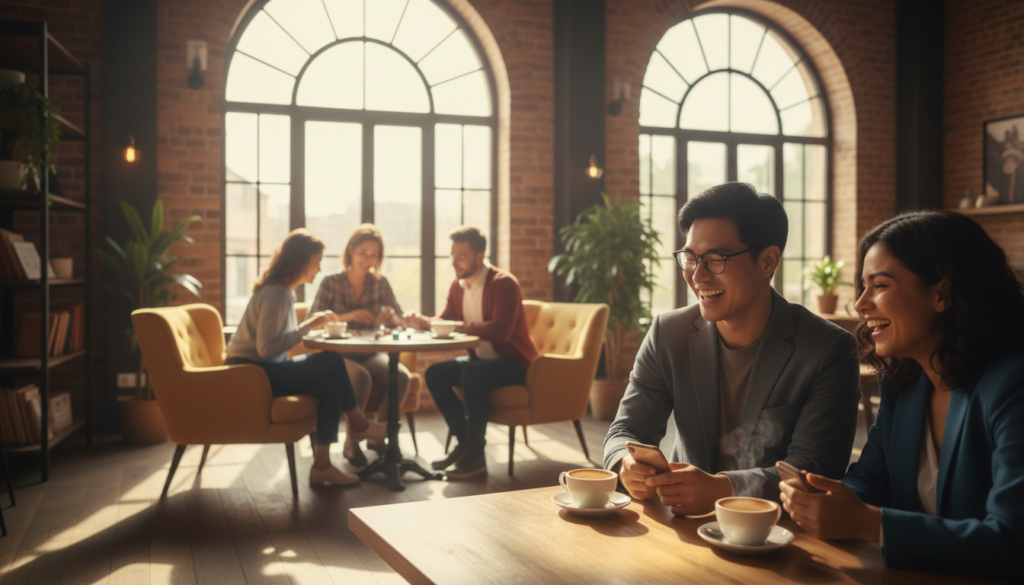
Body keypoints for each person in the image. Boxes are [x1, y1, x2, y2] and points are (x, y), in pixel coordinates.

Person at [779, 210, 1024, 580]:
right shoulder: (904, 384)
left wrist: (869, 524)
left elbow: (1012, 542)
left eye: (879, 285)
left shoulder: (1012, 385)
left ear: (942, 292)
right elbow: (872, 478)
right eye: (862, 286)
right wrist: (830, 498)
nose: (860, 304)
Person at [603, 182, 861, 515]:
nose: (698, 276)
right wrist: (625, 464)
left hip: (776, 529)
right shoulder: (668, 333)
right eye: (690, 258)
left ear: (768, 260)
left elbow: (816, 466)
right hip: (682, 522)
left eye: (715, 259)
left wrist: (726, 489)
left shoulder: (827, 349)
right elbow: (626, 430)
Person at [225, 228, 387, 486]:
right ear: (300, 262)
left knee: (331, 385)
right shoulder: (277, 293)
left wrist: (307, 327)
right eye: (316, 262)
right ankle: (359, 423)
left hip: (260, 371)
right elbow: (266, 349)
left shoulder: (282, 292)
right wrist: (308, 326)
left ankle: (322, 466)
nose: (319, 269)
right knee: (332, 360)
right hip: (250, 374)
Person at [404, 226, 538, 479]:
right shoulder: (458, 286)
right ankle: (466, 444)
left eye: (461, 257)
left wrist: (455, 326)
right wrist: (422, 322)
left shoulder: (503, 283)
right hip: (482, 361)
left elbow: (501, 332)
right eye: (452, 256)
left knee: (472, 374)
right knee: (435, 374)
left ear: (480, 255)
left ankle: (475, 457)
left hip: (516, 364)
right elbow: (446, 320)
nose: (454, 262)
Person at [310, 224, 410, 467]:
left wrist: (391, 320)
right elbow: (312, 322)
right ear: (351, 250)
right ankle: (352, 443)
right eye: (363, 253)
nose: (368, 260)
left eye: (374, 255)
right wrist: (349, 316)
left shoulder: (381, 283)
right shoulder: (331, 282)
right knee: (361, 378)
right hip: (338, 354)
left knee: (400, 376)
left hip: (369, 352)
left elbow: (400, 321)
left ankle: (378, 437)